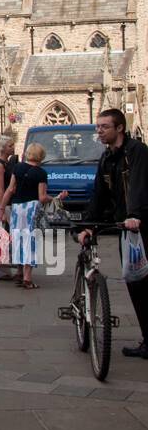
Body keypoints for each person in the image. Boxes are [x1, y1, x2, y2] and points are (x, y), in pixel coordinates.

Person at [80, 107, 148, 359]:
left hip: (142, 226)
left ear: (120, 128)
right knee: (136, 284)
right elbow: (99, 194)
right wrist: (88, 224)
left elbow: (140, 185)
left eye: (104, 126)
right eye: (98, 127)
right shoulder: (106, 158)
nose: (99, 131)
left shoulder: (137, 152)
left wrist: (137, 215)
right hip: (126, 230)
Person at [0, 143, 54, 288]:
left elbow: (10, 189)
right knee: (30, 240)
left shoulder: (18, 168)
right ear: (41, 156)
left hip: (17, 207)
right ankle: (27, 278)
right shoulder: (41, 173)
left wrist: (1, 208)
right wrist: (52, 198)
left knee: (17, 238)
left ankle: (19, 272)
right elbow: (41, 197)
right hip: (31, 209)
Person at [0, 135, 18, 231]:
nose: (13, 147)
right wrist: (3, 212)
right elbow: (0, 190)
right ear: (3, 148)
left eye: (13, 145)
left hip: (7, 204)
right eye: (10, 146)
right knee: (0, 237)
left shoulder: (8, 162)